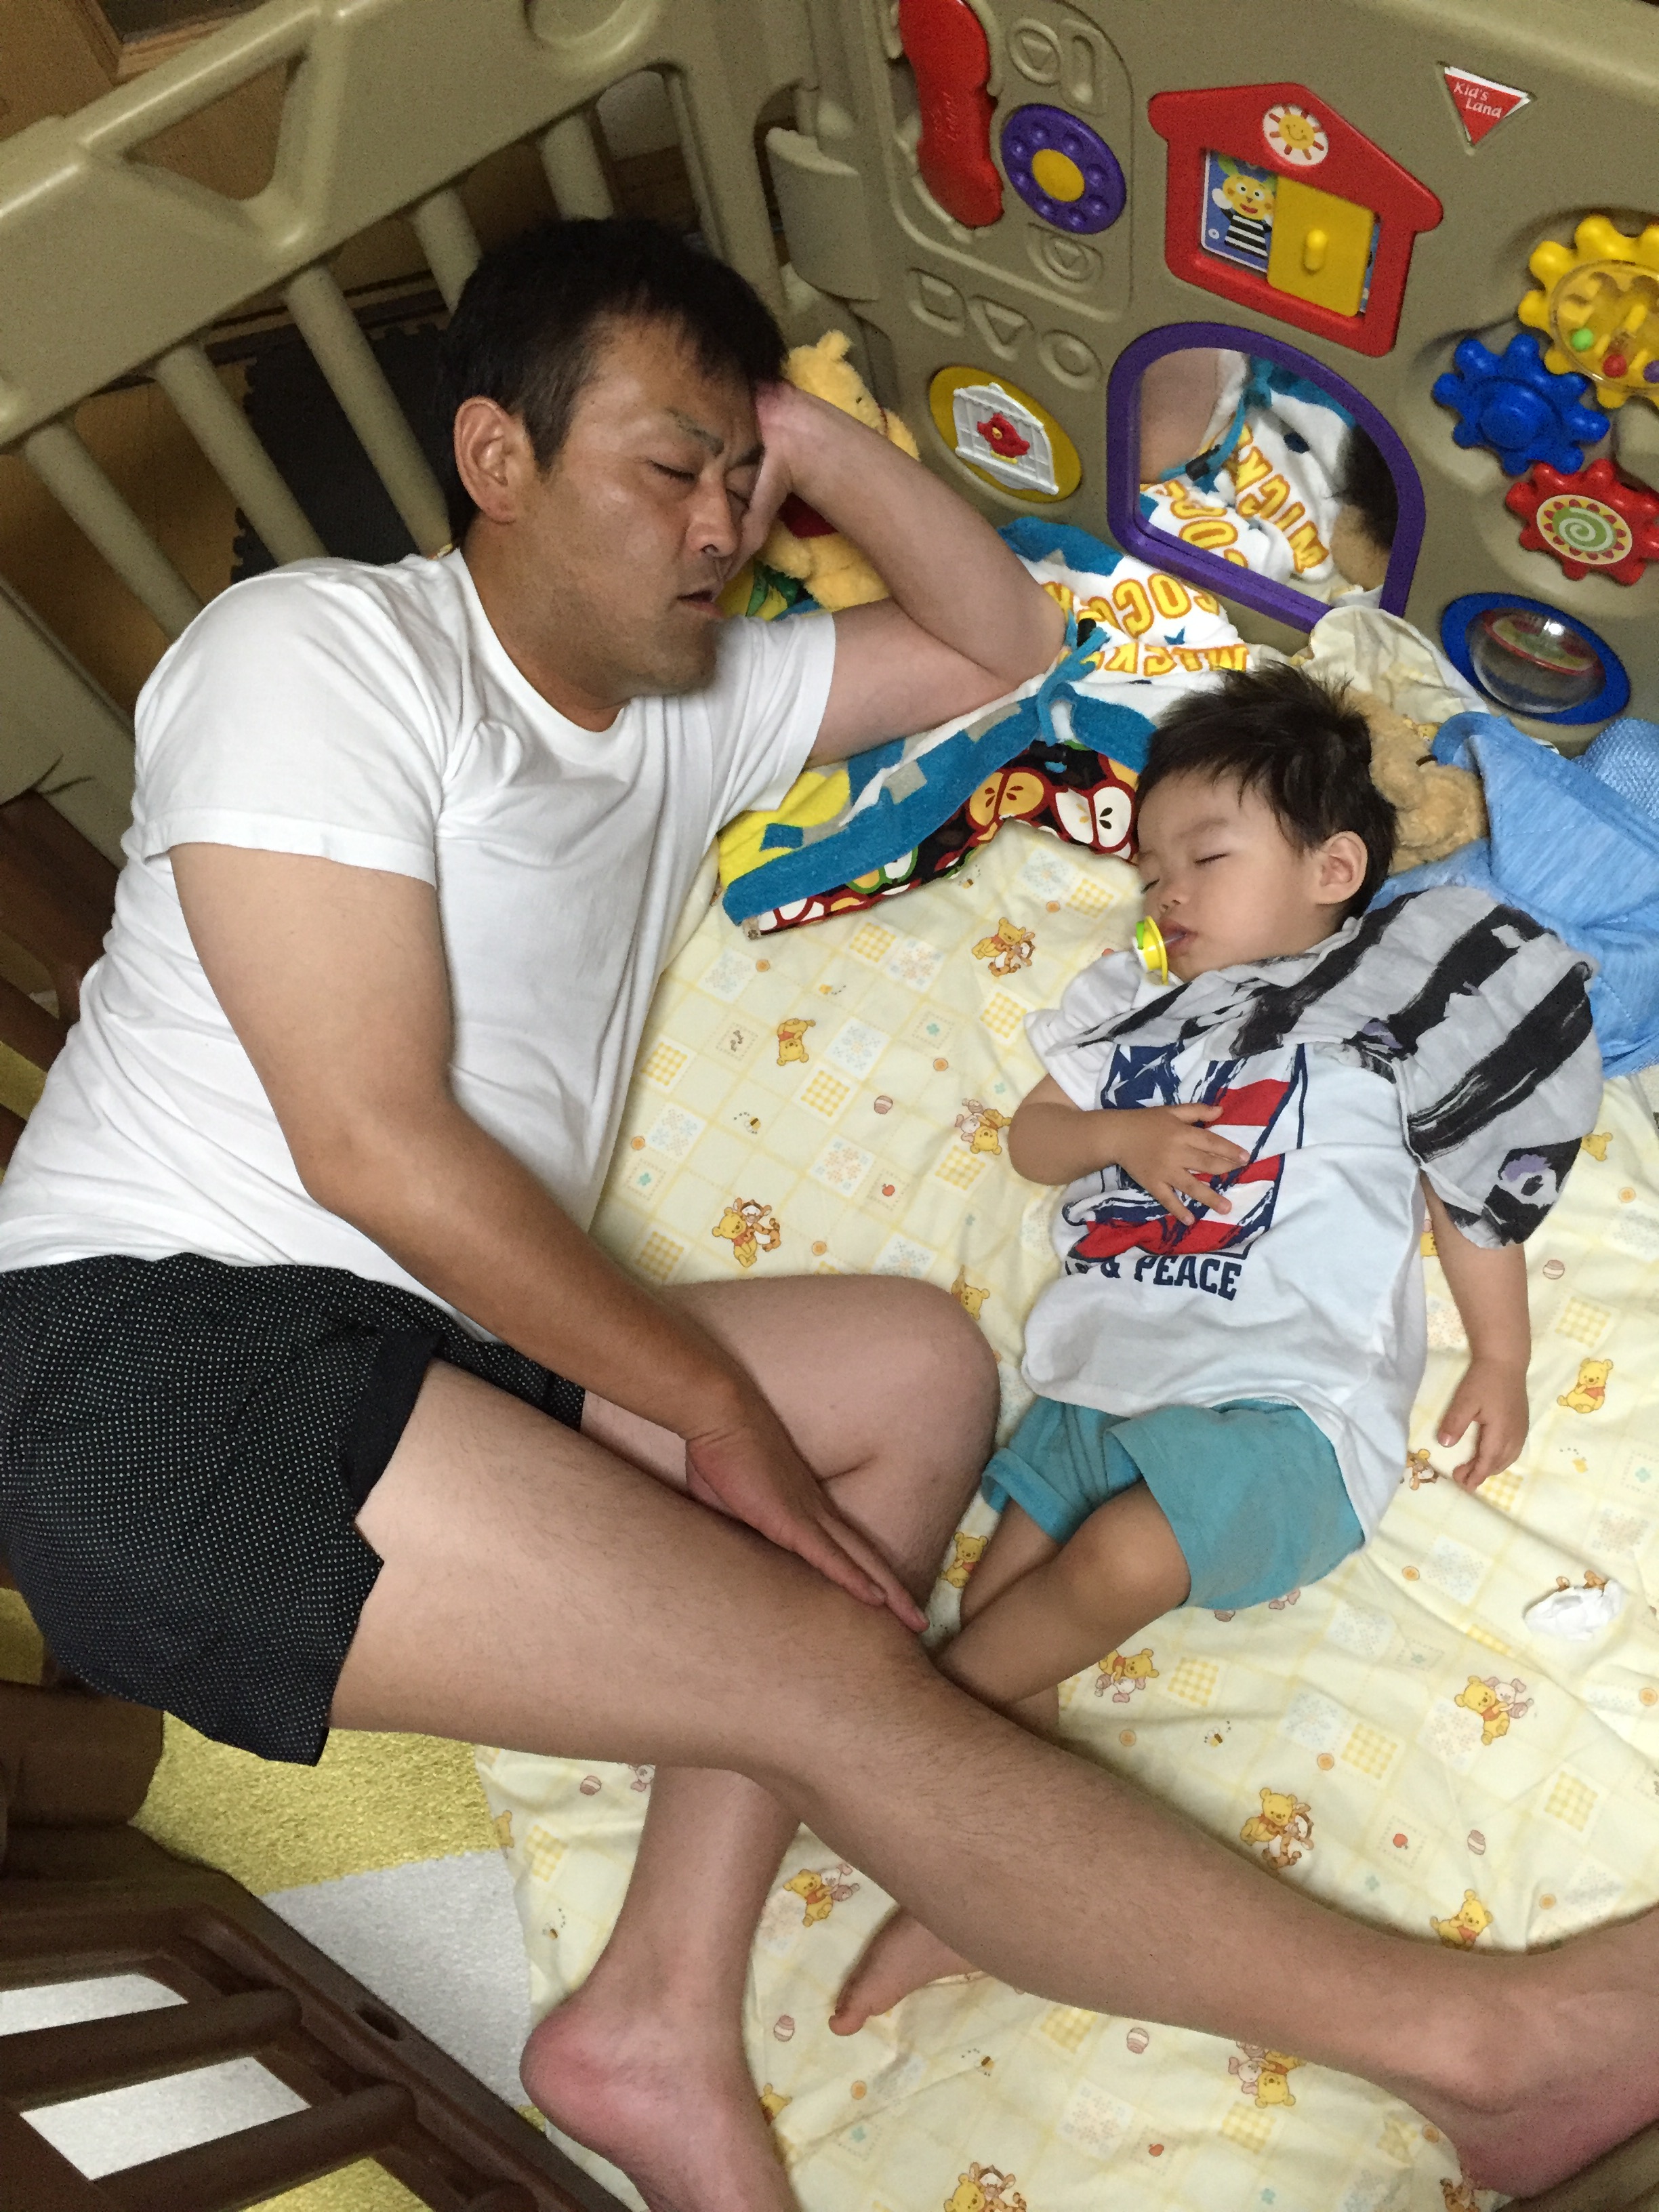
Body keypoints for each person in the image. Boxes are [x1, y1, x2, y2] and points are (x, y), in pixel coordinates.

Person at [0, 219, 1654, 2210]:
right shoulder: (324, 650)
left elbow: (1001, 642)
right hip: (156, 1361)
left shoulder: (685, 715)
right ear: (496, 458)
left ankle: (655, 2013)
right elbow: (369, 1145)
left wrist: (789, 428)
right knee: (831, 1668)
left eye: (736, 478)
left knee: (910, 1375)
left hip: (436, 1347)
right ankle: (1486, 2057)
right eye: (661, 466)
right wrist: (710, 1412)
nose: (717, 525)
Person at [830, 661, 1601, 2031]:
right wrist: (1119, 1136)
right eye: (1149, 874)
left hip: (1287, 1409)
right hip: (1100, 1386)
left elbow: (1471, 1189)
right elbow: (1035, 1139)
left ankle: (878, 1730)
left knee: (1111, 1569)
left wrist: (1500, 1357)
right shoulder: (1135, 1012)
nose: (1167, 894)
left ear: (1333, 869)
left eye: (1207, 857)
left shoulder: (1387, 1002)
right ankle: (979, 1900)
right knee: (1009, 1626)